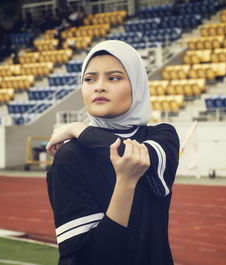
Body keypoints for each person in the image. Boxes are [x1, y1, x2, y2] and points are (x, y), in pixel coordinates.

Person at [46, 40, 179, 265]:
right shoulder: (70, 156)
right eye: (89, 79)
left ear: (136, 84)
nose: (99, 86)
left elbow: (138, 156)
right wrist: (125, 183)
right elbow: (93, 257)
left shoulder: (161, 136)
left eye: (114, 78)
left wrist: (76, 128)